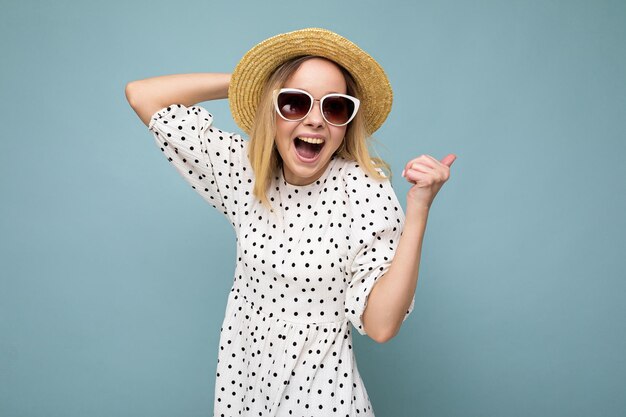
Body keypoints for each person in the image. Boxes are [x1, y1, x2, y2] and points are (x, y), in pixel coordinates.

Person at [125, 27, 456, 417]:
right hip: (245, 398)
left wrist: (419, 210)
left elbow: (381, 326)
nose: (315, 120)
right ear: (274, 109)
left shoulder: (363, 189)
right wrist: (256, 83)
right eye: (296, 103)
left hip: (323, 404)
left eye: (333, 108)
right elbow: (143, 95)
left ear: (347, 122)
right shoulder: (245, 171)